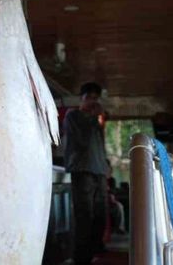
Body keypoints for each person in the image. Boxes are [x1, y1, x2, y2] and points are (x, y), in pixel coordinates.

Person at [63, 82, 108, 265]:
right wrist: (93, 117)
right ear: (81, 98)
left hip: (99, 170)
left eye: (95, 98)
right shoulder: (73, 115)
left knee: (100, 214)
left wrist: (106, 165)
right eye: (89, 97)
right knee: (84, 215)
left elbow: (99, 144)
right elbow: (81, 141)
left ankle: (94, 249)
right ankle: (81, 257)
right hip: (82, 170)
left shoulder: (95, 121)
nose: (92, 101)